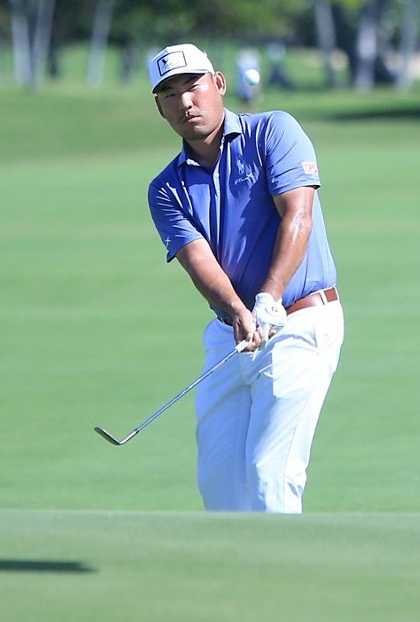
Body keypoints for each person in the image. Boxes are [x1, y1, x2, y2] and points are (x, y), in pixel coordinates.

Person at [145, 42, 344, 513]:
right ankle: (236, 564)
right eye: (170, 94)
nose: (185, 102)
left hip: (299, 322)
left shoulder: (273, 131)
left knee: (271, 476)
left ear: (218, 83)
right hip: (231, 335)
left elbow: (298, 216)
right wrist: (239, 310)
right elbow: (199, 261)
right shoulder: (166, 188)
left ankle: (283, 564)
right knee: (220, 485)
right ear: (160, 108)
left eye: (193, 86)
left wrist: (269, 298)